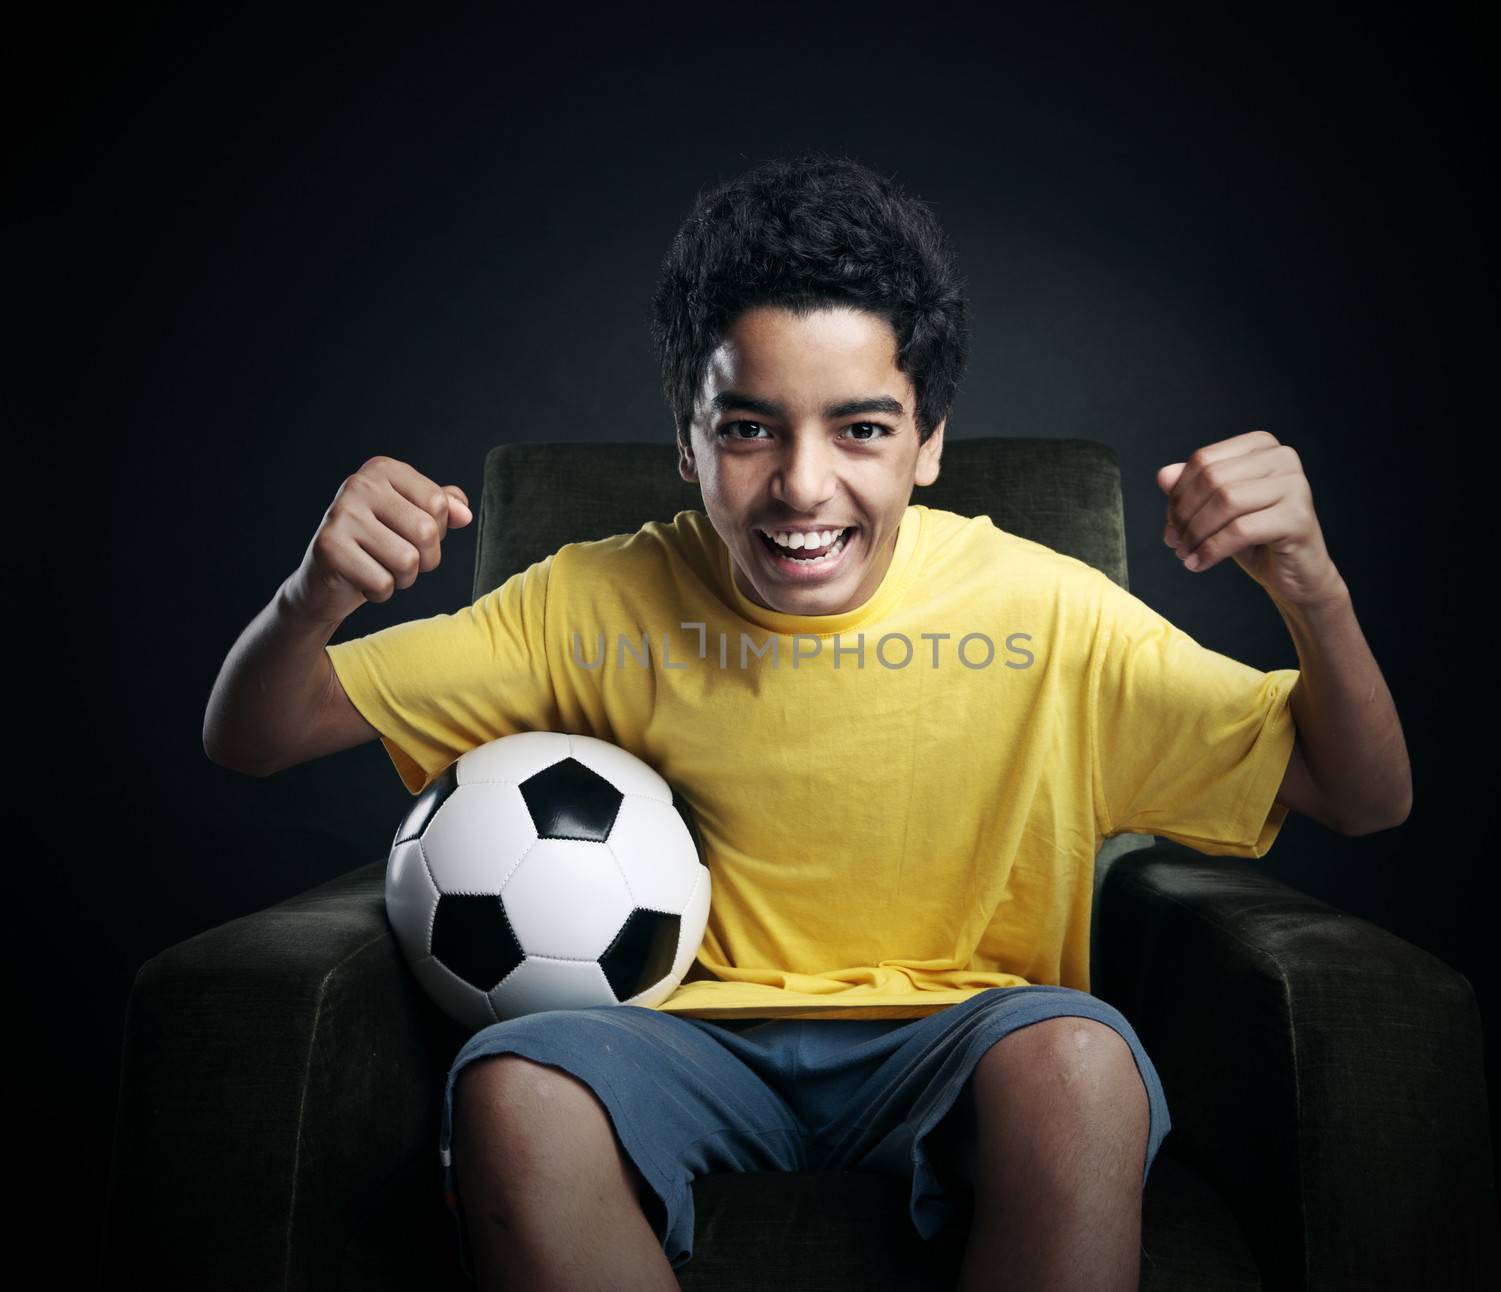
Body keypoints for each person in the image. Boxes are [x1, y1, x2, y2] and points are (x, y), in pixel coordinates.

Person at [203, 151, 1411, 1292]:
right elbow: (254, 733)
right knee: (513, 1084)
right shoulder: (586, 603)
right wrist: (315, 595)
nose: (801, 483)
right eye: (747, 426)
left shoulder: (1046, 612)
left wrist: (1311, 585)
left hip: (963, 1032)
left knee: (1082, 1058)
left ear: (928, 442)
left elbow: (1362, 795)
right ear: (687, 437)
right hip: (674, 1042)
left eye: (862, 427)